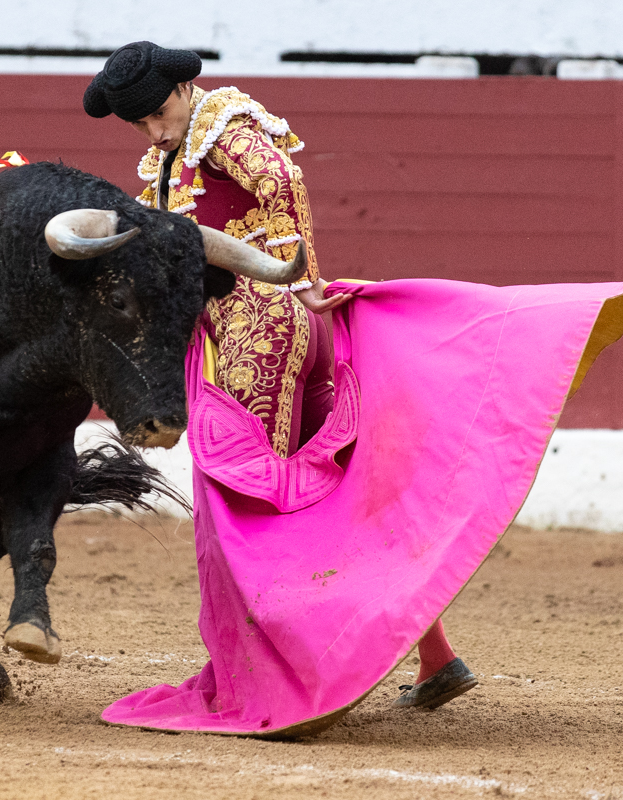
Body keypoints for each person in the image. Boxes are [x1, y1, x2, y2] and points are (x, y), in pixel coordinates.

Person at [83, 41, 480, 726]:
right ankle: (436, 656)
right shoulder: (180, 151)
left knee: (253, 500)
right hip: (263, 326)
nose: (154, 131)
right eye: (139, 125)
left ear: (182, 90)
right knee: (336, 495)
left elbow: (284, 184)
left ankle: (284, 675)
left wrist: (298, 283)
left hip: (262, 327)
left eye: (157, 114)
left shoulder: (223, 128)